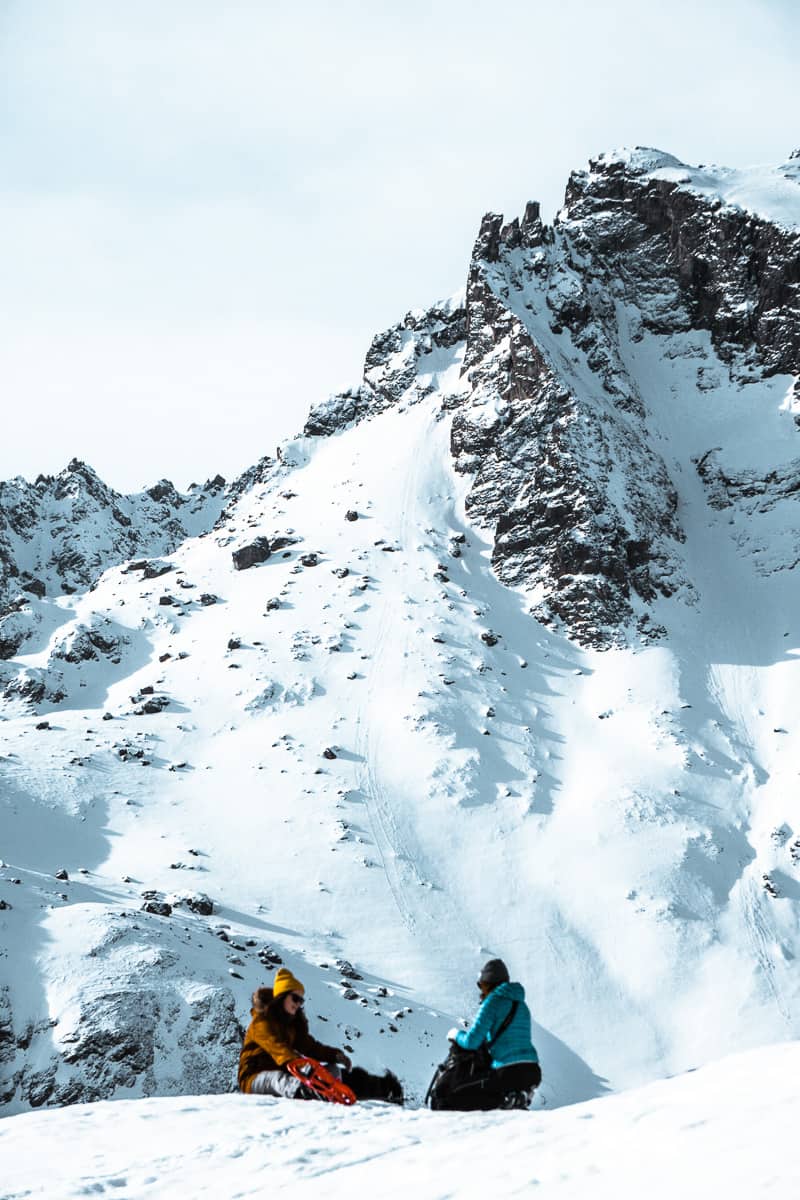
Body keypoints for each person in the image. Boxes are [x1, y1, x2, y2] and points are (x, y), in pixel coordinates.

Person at [238, 967, 403, 1103]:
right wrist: (303, 1066)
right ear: (281, 997)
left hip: (289, 1071)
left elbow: (309, 1047)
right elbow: (278, 1049)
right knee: (278, 1079)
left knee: (332, 1071)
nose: (298, 1004)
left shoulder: (292, 1025)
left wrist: (334, 1056)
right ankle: (312, 1095)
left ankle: (333, 1094)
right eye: (295, 998)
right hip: (255, 1078)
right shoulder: (262, 1022)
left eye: (301, 1001)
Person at [440, 958, 541, 1110]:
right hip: (532, 1070)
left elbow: (471, 1041)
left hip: (505, 1071)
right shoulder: (522, 1005)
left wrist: (455, 1034)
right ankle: (514, 1099)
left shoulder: (493, 1002)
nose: (482, 990)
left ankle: (502, 1101)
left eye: (483, 985)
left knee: (450, 1096)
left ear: (489, 983)